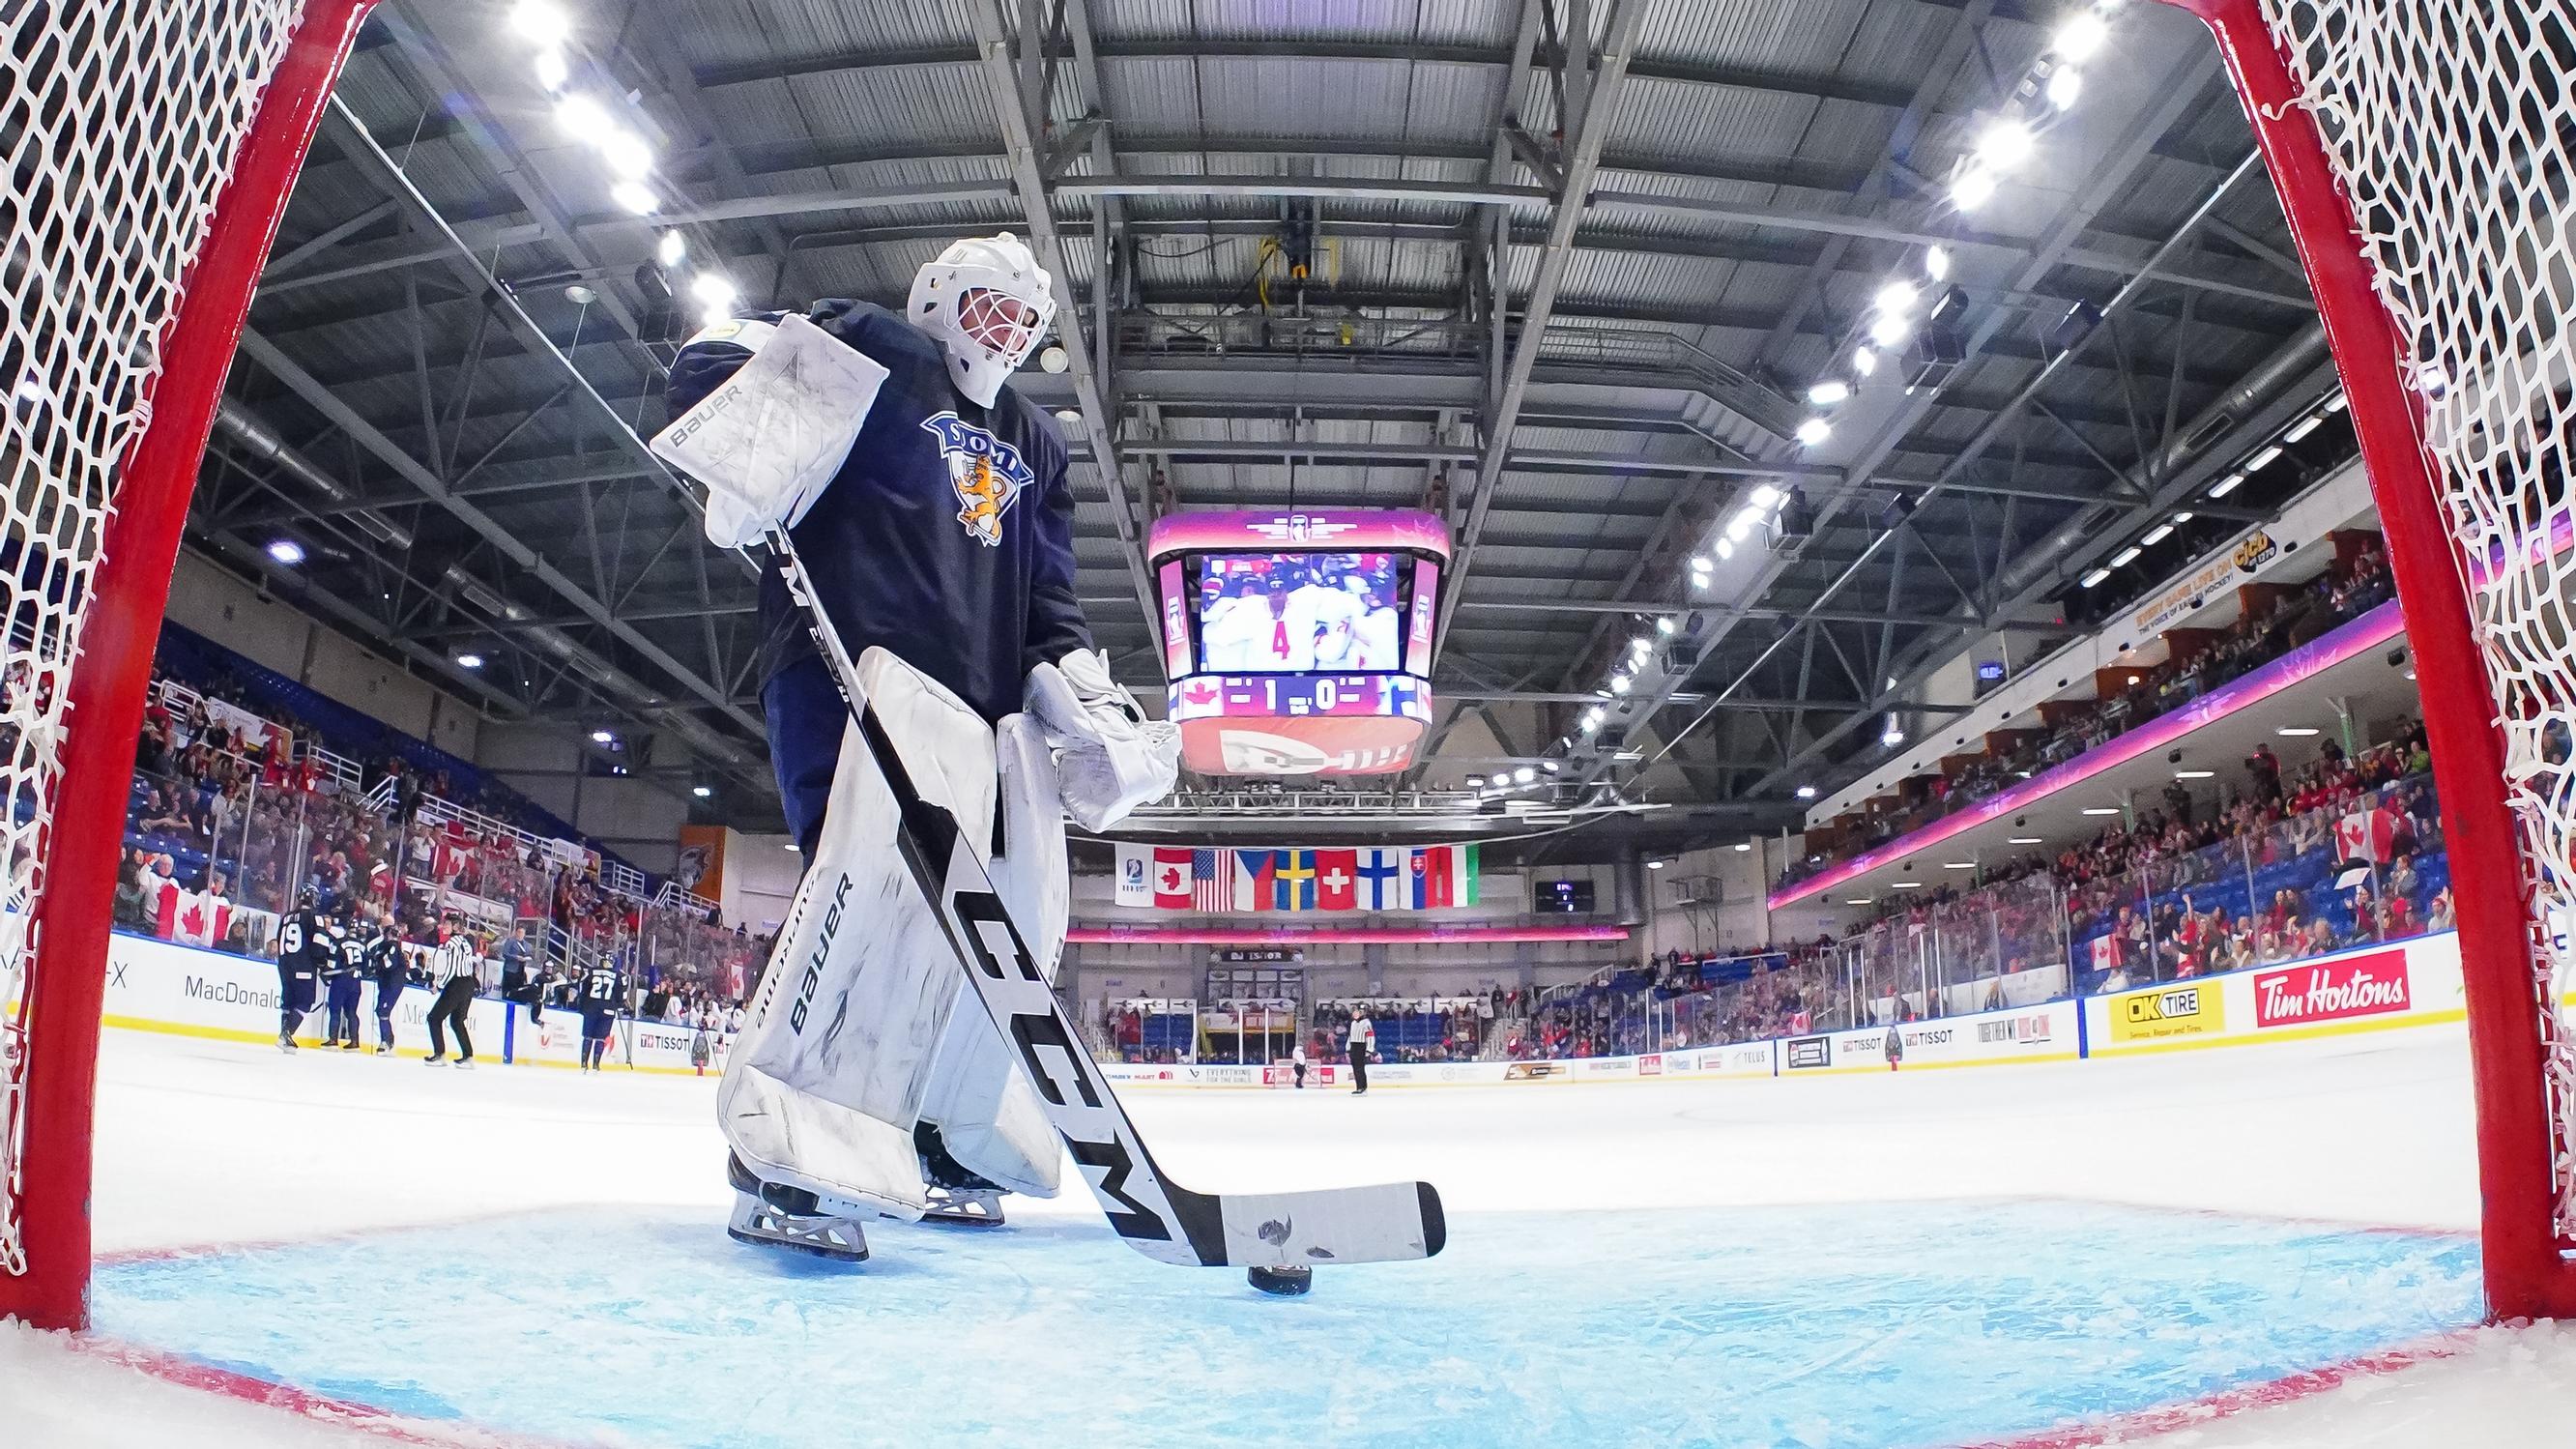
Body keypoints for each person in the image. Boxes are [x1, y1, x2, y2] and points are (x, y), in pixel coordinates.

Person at [654, 232, 1179, 1260]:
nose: (1003, 332)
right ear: (941, 294)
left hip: (979, 717)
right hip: (850, 663)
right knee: (869, 899)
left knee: (997, 923)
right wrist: (747, 419)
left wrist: (1076, 693)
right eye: (987, 307)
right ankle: (781, 1155)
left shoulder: (1037, 439)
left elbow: (1049, 592)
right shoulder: (880, 345)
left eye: (1021, 322)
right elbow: (715, 360)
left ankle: (942, 1139)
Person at [274, 884, 328, 1053]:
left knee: (288, 1001)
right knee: (304, 1002)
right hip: (303, 965)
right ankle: (286, 1034)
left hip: (284, 965)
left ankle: (285, 1036)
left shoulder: (287, 917)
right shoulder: (314, 917)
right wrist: (321, 963)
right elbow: (319, 944)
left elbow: (278, 939)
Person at [422, 923, 479, 1069]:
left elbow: (452, 968)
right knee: (457, 1021)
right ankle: (468, 1055)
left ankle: (439, 1054)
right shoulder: (465, 942)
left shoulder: (452, 943)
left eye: (447, 924)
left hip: (457, 983)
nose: (443, 927)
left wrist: (439, 986)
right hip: (468, 983)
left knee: (434, 1018)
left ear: (454, 927)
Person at [325, 900, 366, 1051]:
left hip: (342, 979)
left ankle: (333, 1040)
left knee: (335, 1009)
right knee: (351, 1012)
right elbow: (367, 966)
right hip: (356, 981)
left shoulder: (339, 942)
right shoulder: (363, 946)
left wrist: (327, 974)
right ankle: (354, 1042)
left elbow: (331, 963)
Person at [577, 952, 624, 1074]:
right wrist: (619, 1006)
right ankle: (596, 1065)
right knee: (601, 1038)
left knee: (588, 1036)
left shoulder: (591, 971)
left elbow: (583, 989)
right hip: (607, 1010)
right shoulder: (617, 975)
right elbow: (620, 994)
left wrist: (582, 1006)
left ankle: (583, 1064)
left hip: (591, 1007)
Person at [367, 914, 407, 1056]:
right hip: (387, 983)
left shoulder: (392, 947)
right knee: (381, 1011)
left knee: (383, 1011)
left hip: (392, 984)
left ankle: (386, 1042)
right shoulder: (386, 947)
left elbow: (389, 964)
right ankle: (388, 1041)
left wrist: (377, 966)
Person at [498, 924, 540, 1025]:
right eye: (519, 932)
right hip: (510, 970)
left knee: (518, 989)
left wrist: (527, 958)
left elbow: (530, 954)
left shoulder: (527, 945)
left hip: (520, 971)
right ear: (516, 932)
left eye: (522, 933)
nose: (520, 934)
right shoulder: (510, 942)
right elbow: (505, 954)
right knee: (509, 988)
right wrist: (515, 957)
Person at [1346, 1006, 1375, 1096]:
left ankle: (1363, 1087)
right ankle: (1358, 1087)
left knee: (1360, 1068)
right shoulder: (1353, 1023)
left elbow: (1370, 1036)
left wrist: (1369, 1049)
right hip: (1353, 1046)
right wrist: (1348, 1048)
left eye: (1358, 1012)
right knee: (1355, 1068)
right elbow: (1350, 1036)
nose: (1356, 1014)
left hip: (1361, 1046)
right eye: (1355, 1012)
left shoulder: (1366, 1022)